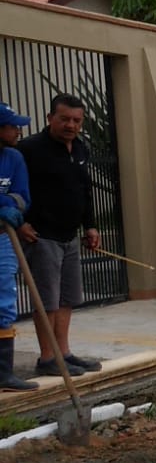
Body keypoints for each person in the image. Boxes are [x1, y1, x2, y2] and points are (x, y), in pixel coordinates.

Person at [17, 94, 102, 377]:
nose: (70, 125)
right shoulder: (28, 150)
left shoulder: (80, 149)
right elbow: (13, 189)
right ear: (49, 117)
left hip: (70, 235)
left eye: (76, 120)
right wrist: (21, 223)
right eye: (64, 119)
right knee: (47, 300)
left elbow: (85, 190)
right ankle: (47, 357)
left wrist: (90, 225)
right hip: (42, 237)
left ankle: (63, 352)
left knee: (67, 299)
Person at [0, 102, 37, 390]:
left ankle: (4, 373)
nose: (17, 131)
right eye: (12, 126)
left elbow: (23, 196)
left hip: (3, 236)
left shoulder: (14, 158)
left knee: (3, 302)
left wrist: (10, 205)